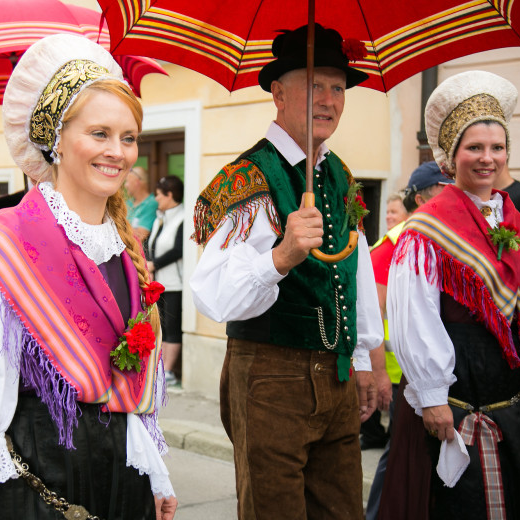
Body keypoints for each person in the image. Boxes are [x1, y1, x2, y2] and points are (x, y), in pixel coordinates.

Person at [0, 34, 176, 520]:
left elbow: (129, 381)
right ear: (55, 139)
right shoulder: (7, 242)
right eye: (99, 133)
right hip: (33, 484)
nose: (119, 152)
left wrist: (156, 474)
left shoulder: (126, 246)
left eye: (128, 137)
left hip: (122, 482)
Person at [189, 23, 382, 519]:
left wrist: (362, 358)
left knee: (342, 512)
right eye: (315, 84)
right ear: (278, 92)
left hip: (337, 377)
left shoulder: (338, 175)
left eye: (338, 88)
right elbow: (212, 297)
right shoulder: (249, 176)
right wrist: (279, 257)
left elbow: (354, 271)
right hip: (270, 376)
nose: (329, 99)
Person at [383, 70, 520, 520]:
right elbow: (417, 318)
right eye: (474, 148)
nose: (487, 159)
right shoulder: (426, 230)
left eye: (497, 147)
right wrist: (432, 398)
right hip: (459, 410)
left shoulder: (510, 219)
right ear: (450, 158)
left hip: (517, 408)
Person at [364, 161, 450, 520]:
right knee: (399, 455)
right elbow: (372, 315)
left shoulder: (441, 238)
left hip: (431, 373)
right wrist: (380, 373)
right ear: (421, 197)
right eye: (443, 190)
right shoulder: (397, 243)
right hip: (406, 374)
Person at [147, 175, 185, 386]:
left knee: (172, 326)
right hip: (158, 284)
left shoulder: (183, 218)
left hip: (175, 284)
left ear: (170, 195)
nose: (156, 199)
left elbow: (178, 250)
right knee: (159, 326)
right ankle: (159, 367)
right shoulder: (159, 218)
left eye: (159, 195)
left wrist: (155, 264)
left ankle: (169, 371)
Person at [125, 166, 158, 243]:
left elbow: (139, 237)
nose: (125, 185)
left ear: (136, 182)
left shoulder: (151, 204)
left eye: (127, 181)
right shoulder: (127, 203)